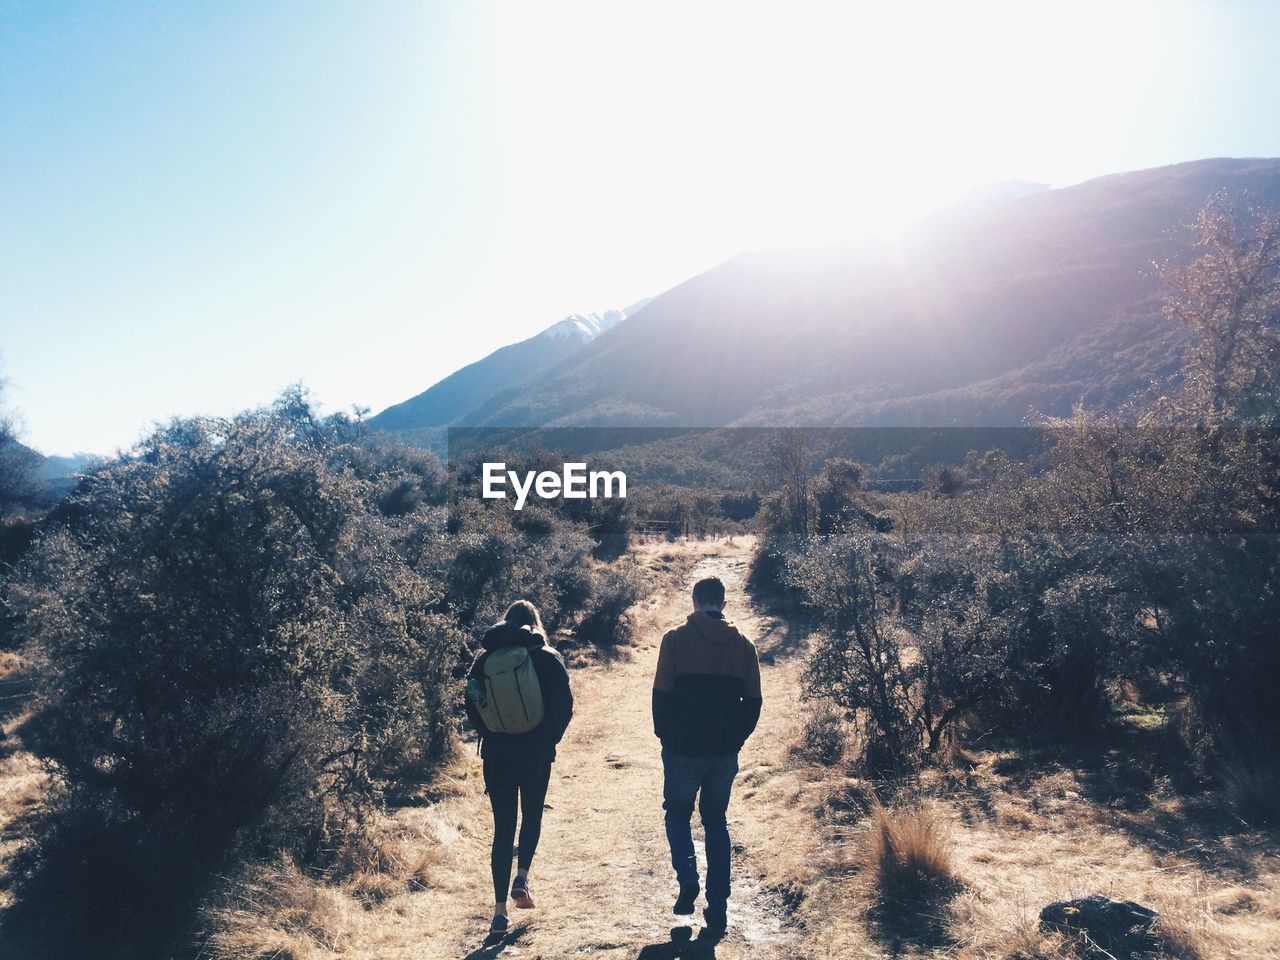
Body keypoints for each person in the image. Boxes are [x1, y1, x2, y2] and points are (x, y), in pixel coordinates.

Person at [652, 575, 762, 936]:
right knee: (716, 821)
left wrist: (665, 735)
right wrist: (736, 739)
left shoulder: (674, 641)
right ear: (723, 605)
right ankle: (718, 906)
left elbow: (661, 695)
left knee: (678, 814)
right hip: (723, 752)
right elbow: (754, 703)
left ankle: (687, 876)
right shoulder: (744, 646)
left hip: (682, 747)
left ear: (694, 602)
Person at [465, 600, 573, 944]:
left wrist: (493, 736)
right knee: (532, 816)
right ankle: (522, 877)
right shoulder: (546, 656)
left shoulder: (482, 662)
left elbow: (472, 707)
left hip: (498, 756)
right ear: (534, 623)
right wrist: (547, 741)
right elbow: (564, 706)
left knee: (502, 831)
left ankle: (499, 915)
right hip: (536, 754)